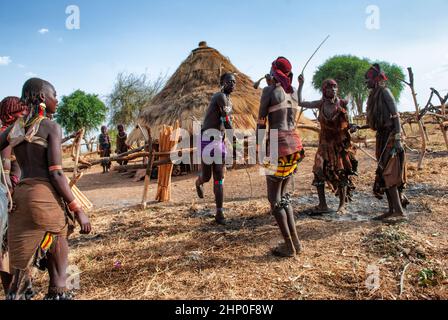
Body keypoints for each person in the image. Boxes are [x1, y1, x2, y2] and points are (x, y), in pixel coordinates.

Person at [0, 78, 92, 300]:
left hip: (20, 200)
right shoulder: (51, 127)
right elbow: (57, 173)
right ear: (42, 97)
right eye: (55, 95)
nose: (57, 101)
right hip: (45, 198)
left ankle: (18, 293)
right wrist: (77, 209)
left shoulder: (17, 128)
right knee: (59, 267)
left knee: (18, 269)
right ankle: (58, 293)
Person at [256, 57, 305, 258]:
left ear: (275, 72)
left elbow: (261, 122)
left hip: (277, 146)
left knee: (273, 199)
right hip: (295, 148)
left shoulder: (268, 91)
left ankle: (288, 246)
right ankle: (296, 243)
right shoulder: (292, 94)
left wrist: (258, 149)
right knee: (283, 197)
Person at [298, 77, 358, 214]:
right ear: (324, 90)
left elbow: (349, 122)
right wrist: (301, 84)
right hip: (324, 145)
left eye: (335, 87)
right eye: (330, 88)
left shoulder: (342, 103)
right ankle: (322, 205)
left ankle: (342, 205)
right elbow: (301, 102)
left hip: (339, 145)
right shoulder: (320, 104)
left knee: (341, 172)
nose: (333, 90)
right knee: (318, 172)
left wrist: (352, 126)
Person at [363, 64, 408, 220]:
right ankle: (392, 210)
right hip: (382, 137)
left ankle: (400, 212)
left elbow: (395, 116)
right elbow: (378, 120)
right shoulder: (375, 95)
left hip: (390, 137)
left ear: (375, 80)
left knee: (389, 173)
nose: (366, 83)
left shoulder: (385, 92)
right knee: (383, 172)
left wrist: (397, 139)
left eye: (368, 79)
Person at [195, 73, 236, 225]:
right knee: (206, 177)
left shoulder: (228, 101)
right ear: (222, 83)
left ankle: (219, 213)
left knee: (218, 178)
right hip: (207, 140)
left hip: (218, 141)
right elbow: (226, 121)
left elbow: (225, 122)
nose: (232, 84)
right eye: (229, 81)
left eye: (234, 82)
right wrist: (235, 140)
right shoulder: (220, 97)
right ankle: (198, 183)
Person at [0, 97, 29, 296]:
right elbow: (8, 167)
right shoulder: (9, 132)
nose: (24, 115)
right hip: (6, 196)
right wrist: (12, 188)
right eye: (21, 112)